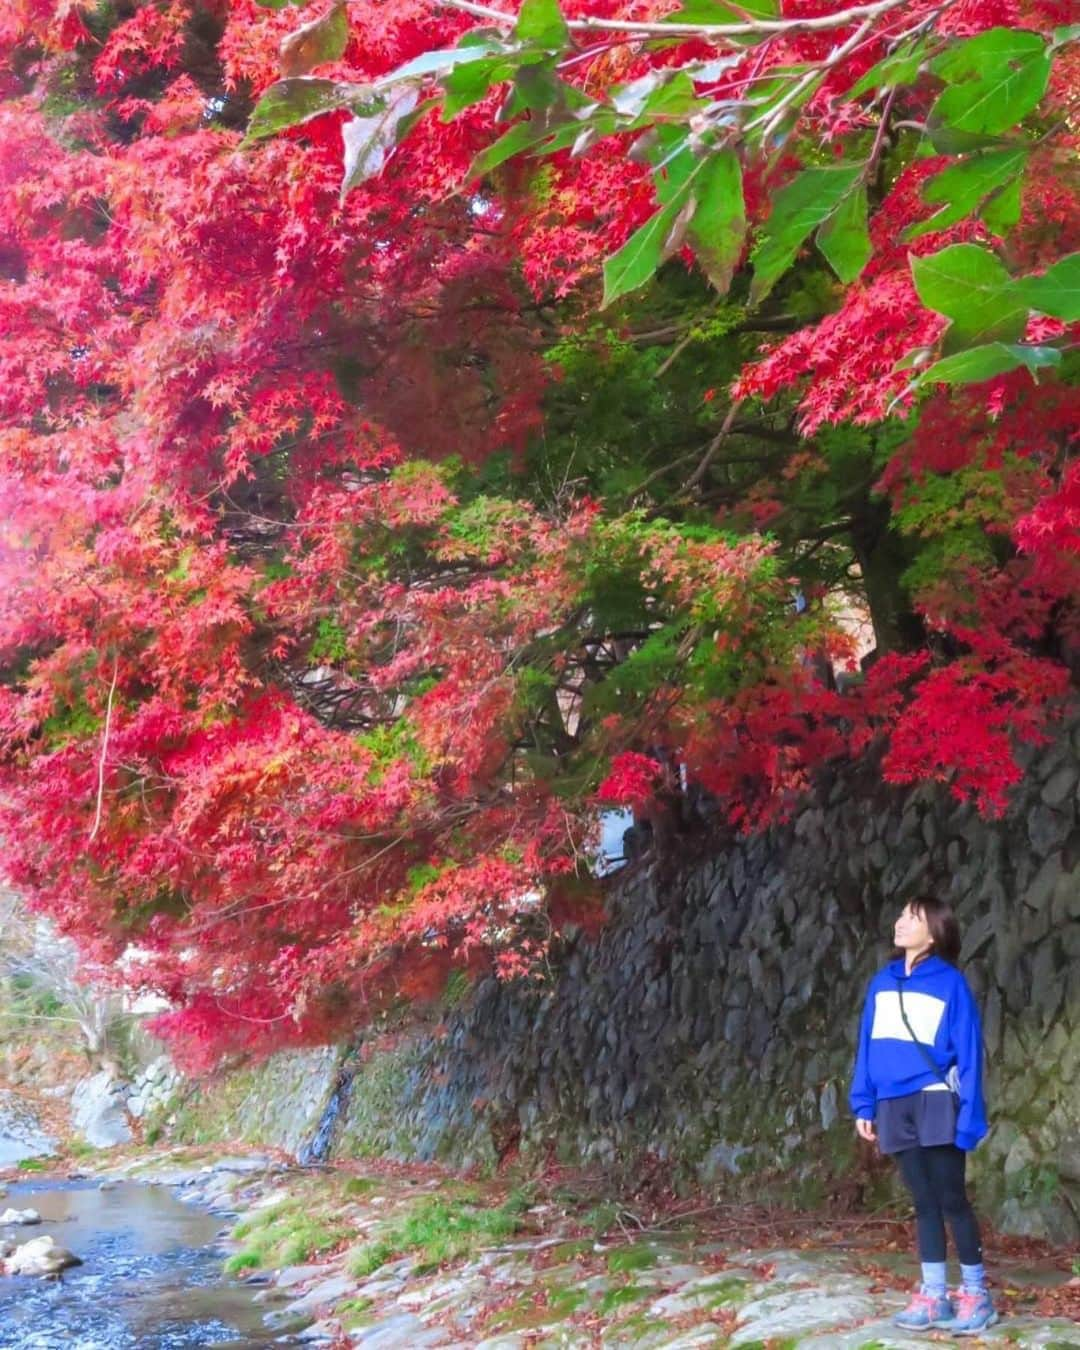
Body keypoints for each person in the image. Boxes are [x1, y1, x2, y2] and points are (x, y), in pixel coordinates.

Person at [849, 896, 996, 1336]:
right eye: (900, 915)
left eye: (911, 918)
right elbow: (867, 1047)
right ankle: (935, 1296)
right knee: (923, 1202)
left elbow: (969, 1053)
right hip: (893, 1104)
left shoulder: (950, 984)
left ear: (933, 932)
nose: (899, 923)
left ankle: (976, 1293)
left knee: (951, 1198)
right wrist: (864, 1103)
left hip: (935, 1100)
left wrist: (970, 1116)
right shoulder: (881, 983)